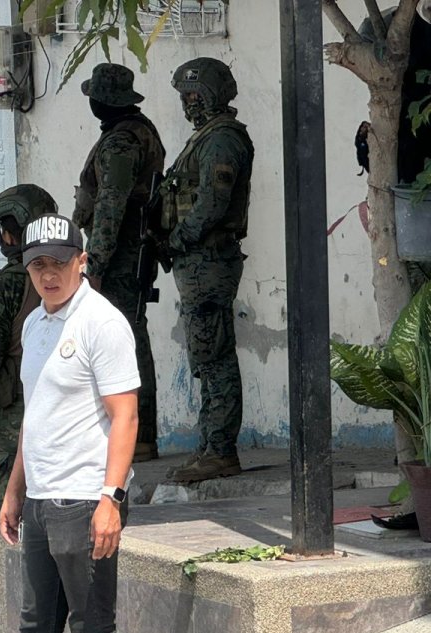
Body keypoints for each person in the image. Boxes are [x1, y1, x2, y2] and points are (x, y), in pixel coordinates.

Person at [0, 214, 139, 633]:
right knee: (35, 630)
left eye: (59, 263)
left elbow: (126, 416)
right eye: (38, 265)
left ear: (81, 261)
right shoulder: (34, 323)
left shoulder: (102, 323)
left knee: (93, 631)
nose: (49, 274)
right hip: (39, 501)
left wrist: (111, 499)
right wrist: (15, 491)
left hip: (83, 502)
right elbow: (33, 414)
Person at [0, 184, 57, 633]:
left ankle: (21, 628)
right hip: (62, 413)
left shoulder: (7, 287)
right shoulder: (75, 280)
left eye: (5, 229)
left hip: (20, 414)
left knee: (14, 512)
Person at [158, 57, 254, 483]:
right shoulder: (204, 138)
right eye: (185, 96)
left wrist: (176, 240)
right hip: (198, 263)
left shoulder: (223, 140)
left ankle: (220, 450)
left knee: (213, 356)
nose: (189, 103)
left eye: (195, 95)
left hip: (209, 261)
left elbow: (212, 205)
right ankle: (210, 446)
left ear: (215, 93)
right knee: (206, 355)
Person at [72, 63, 165, 463]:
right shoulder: (137, 132)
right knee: (131, 337)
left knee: (125, 343)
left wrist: (93, 267)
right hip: (129, 253)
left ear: (103, 101)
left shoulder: (122, 142)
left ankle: (137, 436)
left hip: (121, 258)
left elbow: (111, 206)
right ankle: (137, 435)